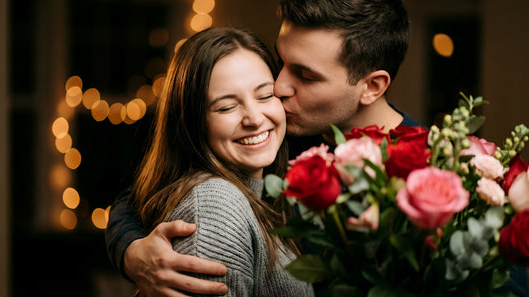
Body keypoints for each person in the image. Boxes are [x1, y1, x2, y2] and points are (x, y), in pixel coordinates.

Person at [105, 0, 416, 295]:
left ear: (372, 86)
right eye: (282, 63)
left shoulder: (436, 175)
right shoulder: (278, 126)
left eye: (305, 75)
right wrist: (131, 250)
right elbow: (148, 191)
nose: (279, 86)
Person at [124, 26, 314, 297]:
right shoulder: (217, 205)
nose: (254, 118)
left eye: (265, 95)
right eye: (226, 107)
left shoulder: (267, 194)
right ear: (193, 123)